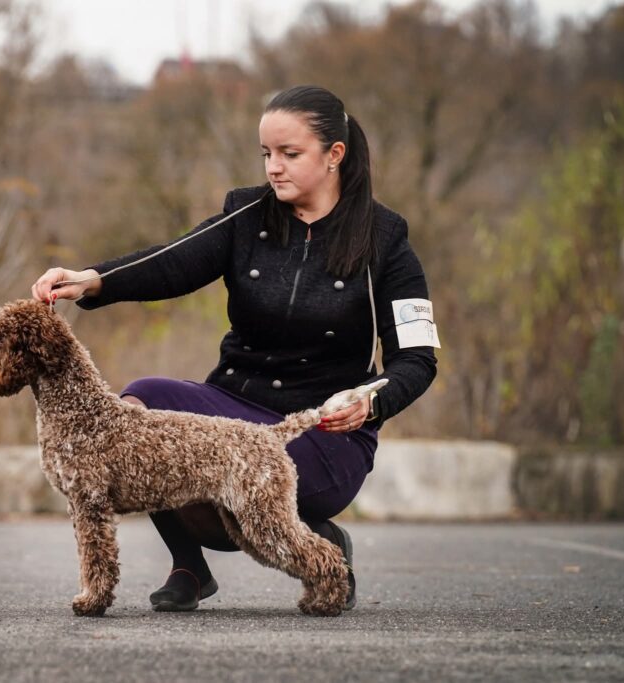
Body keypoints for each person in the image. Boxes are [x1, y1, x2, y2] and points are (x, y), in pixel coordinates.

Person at [31, 85, 438, 612]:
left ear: (335, 155)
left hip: (323, 432)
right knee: (140, 404)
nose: (274, 167)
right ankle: (189, 566)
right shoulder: (244, 214)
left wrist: (370, 400)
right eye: (267, 153)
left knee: (262, 499)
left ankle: (319, 543)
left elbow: (418, 359)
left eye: (290, 154)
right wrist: (92, 279)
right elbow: (172, 263)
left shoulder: (385, 239)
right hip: (233, 409)